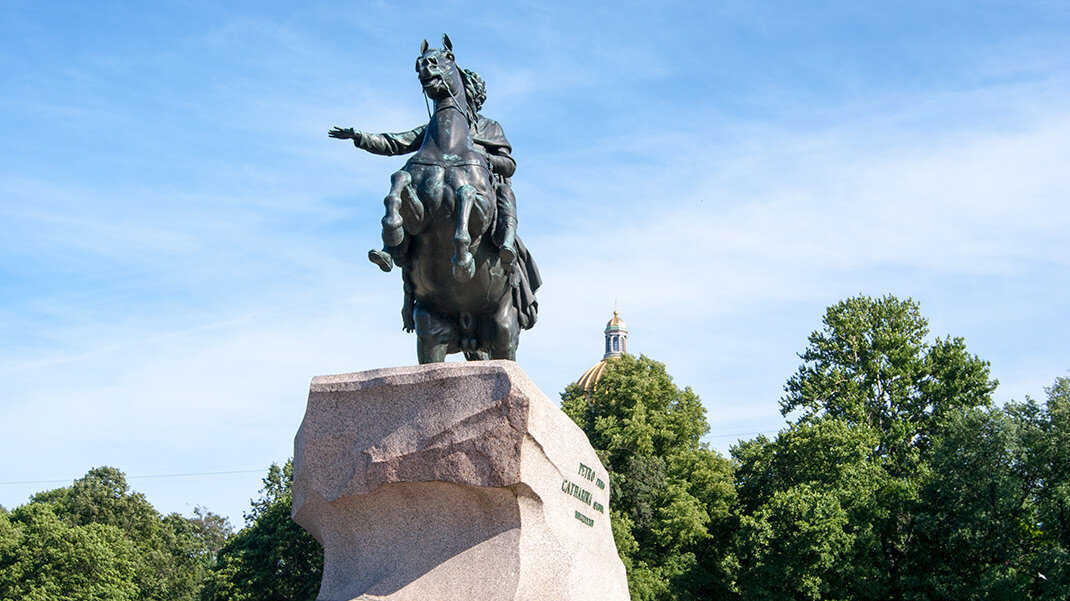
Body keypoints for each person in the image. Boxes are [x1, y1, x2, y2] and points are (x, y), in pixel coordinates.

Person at [329, 68, 518, 273]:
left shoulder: (490, 127)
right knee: (406, 180)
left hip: (479, 185)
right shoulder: (435, 127)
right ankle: (390, 249)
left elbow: (509, 165)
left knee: (505, 193)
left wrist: (482, 157)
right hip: (435, 186)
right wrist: (360, 137)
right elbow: (396, 142)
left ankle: (506, 245)